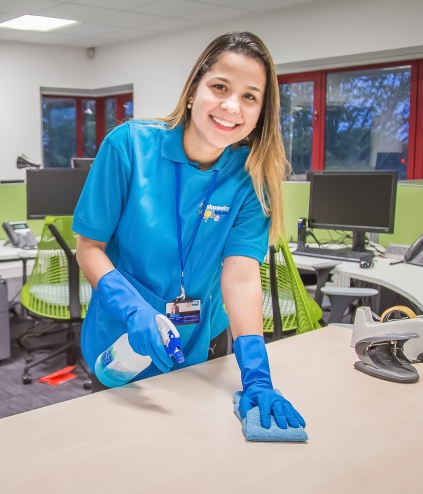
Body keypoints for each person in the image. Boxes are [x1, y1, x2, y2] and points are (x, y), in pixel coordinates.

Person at [72, 32, 305, 431]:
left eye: (250, 96)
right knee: (117, 454)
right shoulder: (129, 147)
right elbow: (89, 247)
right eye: (220, 87)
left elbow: (242, 276)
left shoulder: (253, 176)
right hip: (124, 338)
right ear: (194, 89)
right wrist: (133, 310)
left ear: (262, 110)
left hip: (205, 342)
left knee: (197, 454)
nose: (232, 106)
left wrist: (257, 375)